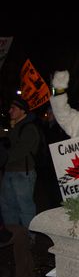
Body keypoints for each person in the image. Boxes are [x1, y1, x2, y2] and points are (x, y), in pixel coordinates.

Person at [0, 95, 39, 228]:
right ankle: (15, 235)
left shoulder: (29, 128)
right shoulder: (15, 127)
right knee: (7, 207)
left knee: (25, 208)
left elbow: (18, 151)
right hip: (10, 172)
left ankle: (29, 237)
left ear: (23, 111)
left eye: (13, 108)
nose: (10, 111)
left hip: (22, 173)